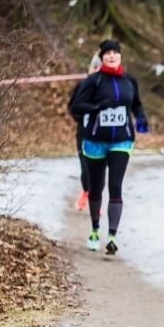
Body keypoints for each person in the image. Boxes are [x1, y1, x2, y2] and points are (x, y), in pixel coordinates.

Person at [71, 39, 149, 255]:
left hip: (122, 140)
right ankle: (95, 229)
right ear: (102, 57)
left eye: (115, 52)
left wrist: (141, 117)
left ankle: (112, 236)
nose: (112, 56)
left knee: (115, 185)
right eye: (108, 53)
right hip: (95, 141)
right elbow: (77, 105)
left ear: (120, 56)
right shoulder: (94, 80)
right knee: (96, 188)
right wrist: (98, 107)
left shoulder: (129, 81)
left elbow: (137, 103)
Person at [67, 54, 102, 211]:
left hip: (102, 134)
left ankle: (97, 199)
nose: (95, 69)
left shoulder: (107, 87)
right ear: (89, 68)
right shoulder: (81, 85)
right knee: (85, 166)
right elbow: (71, 106)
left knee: (99, 170)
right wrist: (78, 116)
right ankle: (86, 191)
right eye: (93, 66)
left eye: (98, 66)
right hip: (83, 132)